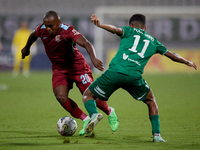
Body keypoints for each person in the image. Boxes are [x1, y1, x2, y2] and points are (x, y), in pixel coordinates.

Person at [82, 14, 197, 142]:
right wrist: (187, 62)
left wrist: (99, 25)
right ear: (145, 27)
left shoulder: (129, 30)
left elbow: (115, 29)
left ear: (131, 25)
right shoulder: (153, 41)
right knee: (150, 100)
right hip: (134, 77)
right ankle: (157, 135)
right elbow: (172, 55)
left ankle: (93, 115)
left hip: (114, 72)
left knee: (88, 95)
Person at [21, 10, 119, 136]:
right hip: (59, 69)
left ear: (59, 23)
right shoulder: (42, 29)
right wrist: (27, 47)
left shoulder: (67, 31)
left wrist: (93, 58)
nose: (48, 28)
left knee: (90, 94)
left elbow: (86, 43)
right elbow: (33, 35)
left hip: (77, 67)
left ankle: (109, 111)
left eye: (51, 26)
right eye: (46, 25)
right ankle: (86, 120)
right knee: (61, 96)